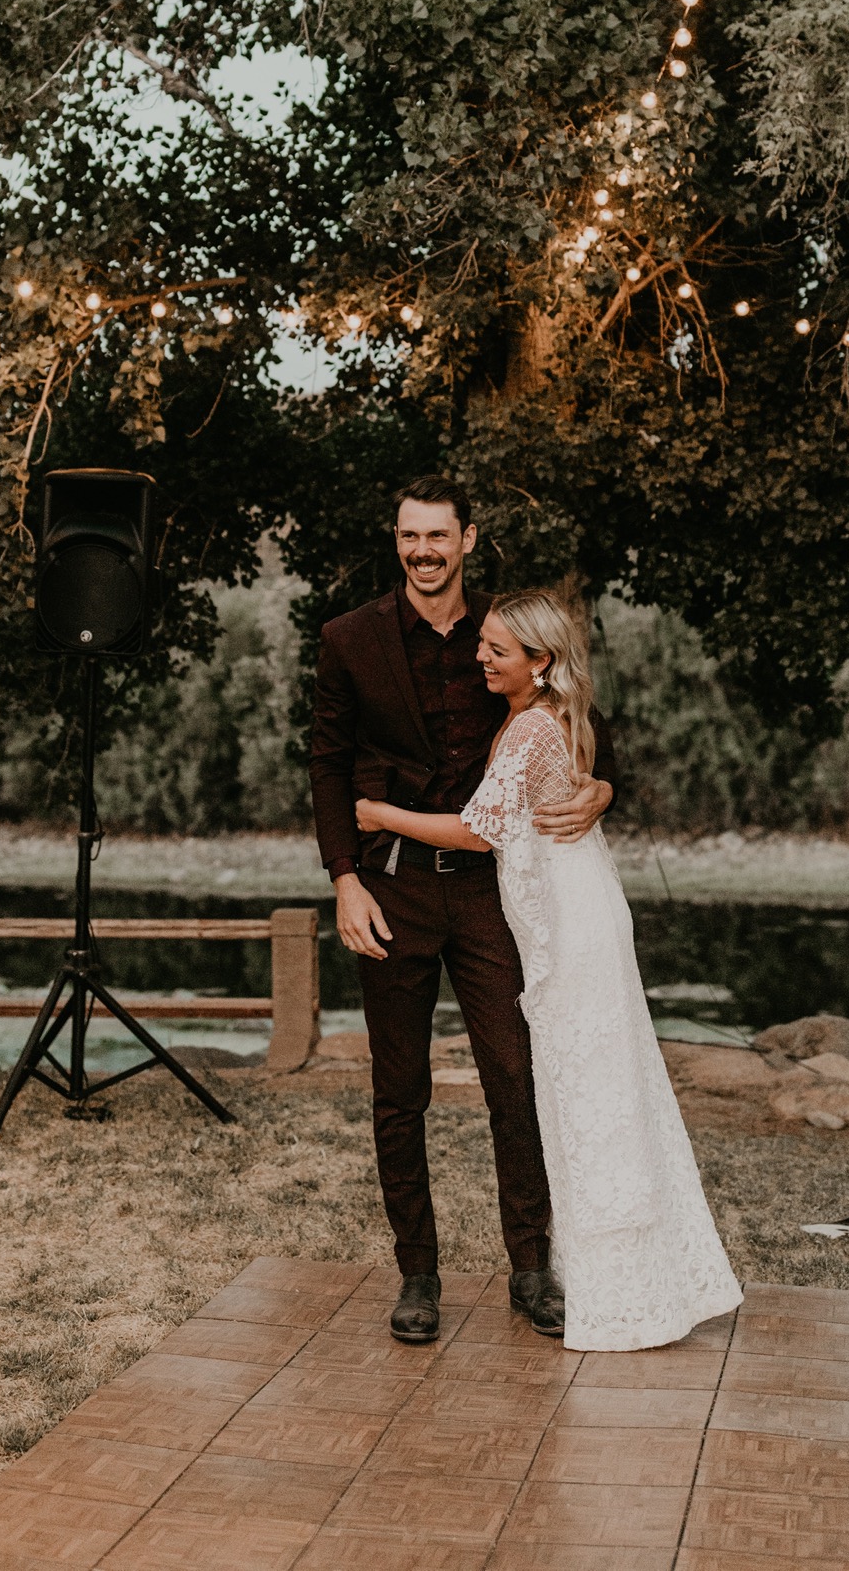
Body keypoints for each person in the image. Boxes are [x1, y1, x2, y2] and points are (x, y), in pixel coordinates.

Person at [355, 587, 741, 1353]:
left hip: (568, 930)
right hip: (559, 917)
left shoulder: (533, 726)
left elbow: (476, 831)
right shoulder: (538, 713)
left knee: (578, 1095)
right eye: (483, 646)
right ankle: (597, 1267)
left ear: (540, 660)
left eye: (496, 651)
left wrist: (376, 815)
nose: (480, 659)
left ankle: (596, 1274)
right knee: (586, 1095)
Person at [309, 477, 619, 1345]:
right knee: (397, 1090)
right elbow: (327, 764)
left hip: (494, 895)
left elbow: (583, 722)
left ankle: (531, 1266)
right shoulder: (348, 640)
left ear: (468, 539)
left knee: (515, 1078)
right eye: (409, 536)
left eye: (438, 536)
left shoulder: (508, 633)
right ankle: (418, 1273)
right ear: (396, 539)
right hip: (393, 889)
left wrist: (601, 788)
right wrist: (344, 878)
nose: (423, 551)